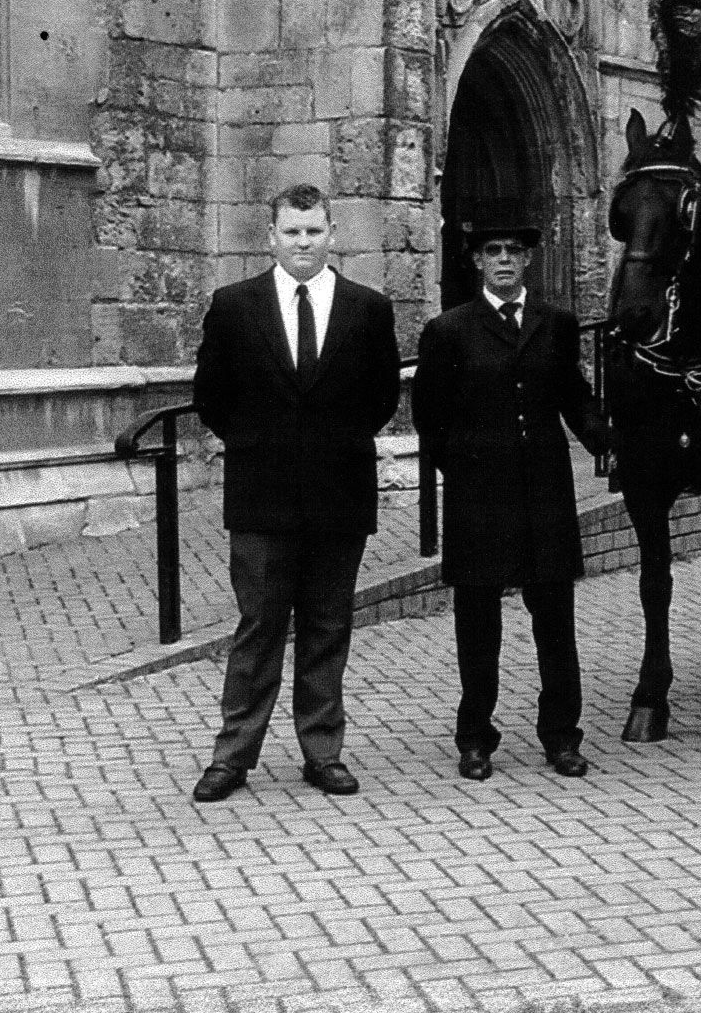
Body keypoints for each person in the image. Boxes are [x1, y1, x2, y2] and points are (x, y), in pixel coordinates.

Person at [189, 184, 404, 802]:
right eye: (292, 233)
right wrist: (266, 445)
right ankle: (232, 757)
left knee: (327, 625)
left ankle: (323, 751)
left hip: (340, 492)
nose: (303, 244)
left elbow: (381, 399)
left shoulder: (368, 309)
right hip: (261, 496)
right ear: (272, 237)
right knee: (259, 626)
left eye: (313, 232)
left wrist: (328, 446)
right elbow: (212, 398)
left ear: (331, 234)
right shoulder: (234, 305)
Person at [413, 199, 607, 782]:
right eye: (492, 252)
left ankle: (561, 737)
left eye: (513, 253)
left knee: (555, 620)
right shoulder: (448, 330)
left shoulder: (556, 324)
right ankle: (475, 738)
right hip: (480, 497)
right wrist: (466, 468)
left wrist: (609, 441)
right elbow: (430, 416)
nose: (503, 261)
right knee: (478, 624)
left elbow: (574, 398)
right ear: (476, 262)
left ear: (527, 261)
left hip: (545, 492)